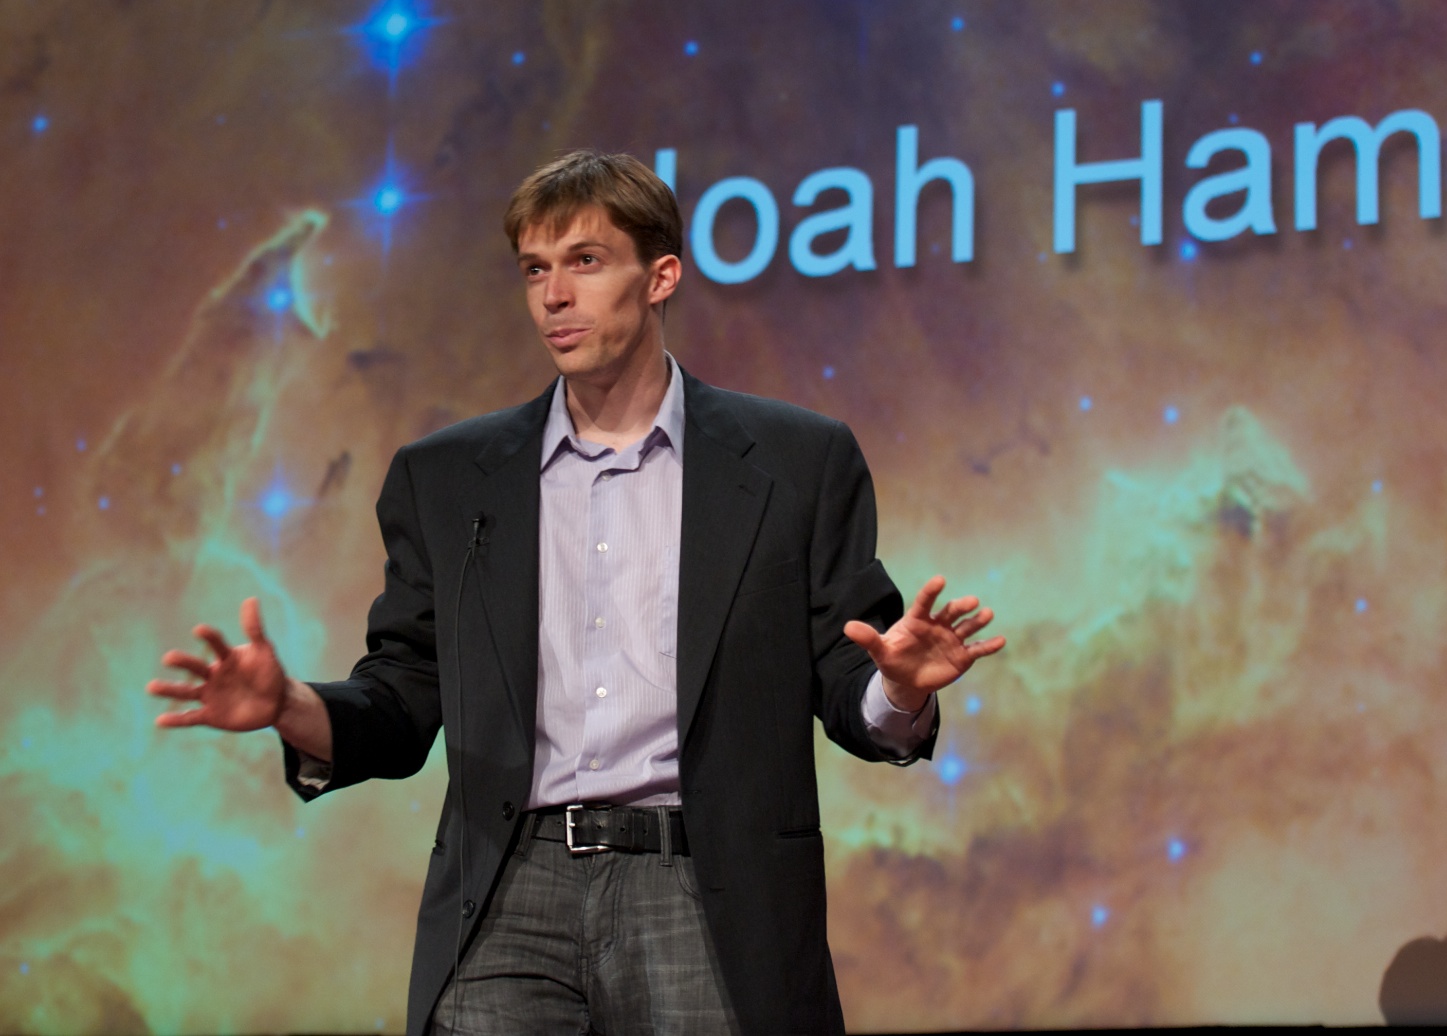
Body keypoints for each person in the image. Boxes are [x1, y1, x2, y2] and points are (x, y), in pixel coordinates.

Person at [149, 151, 1004, 1036]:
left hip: (702, 888)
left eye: (585, 262)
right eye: (535, 270)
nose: (554, 296)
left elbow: (850, 681)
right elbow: (404, 700)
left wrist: (899, 687)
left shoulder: (797, 462)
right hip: (505, 893)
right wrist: (290, 706)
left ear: (661, 276)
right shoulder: (447, 479)